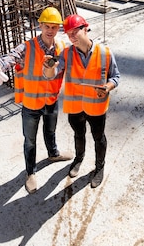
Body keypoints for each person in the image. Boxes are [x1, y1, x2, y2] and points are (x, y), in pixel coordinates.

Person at [0, 6, 72, 194]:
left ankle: (53, 154)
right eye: (47, 26)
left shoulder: (62, 47)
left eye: (55, 27)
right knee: (30, 141)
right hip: (31, 104)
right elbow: (10, 58)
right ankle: (30, 172)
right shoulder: (27, 47)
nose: (51, 30)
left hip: (51, 101)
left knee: (50, 131)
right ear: (39, 25)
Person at [43, 14, 120, 188]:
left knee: (98, 137)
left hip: (96, 107)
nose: (71, 37)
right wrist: (49, 67)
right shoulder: (67, 53)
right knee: (78, 134)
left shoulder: (104, 52)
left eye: (74, 32)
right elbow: (52, 72)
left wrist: (107, 87)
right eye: (68, 34)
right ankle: (79, 159)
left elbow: (115, 77)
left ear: (85, 29)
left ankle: (99, 167)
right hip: (75, 106)